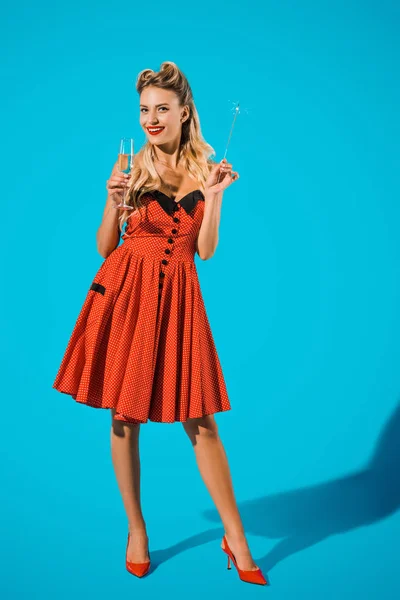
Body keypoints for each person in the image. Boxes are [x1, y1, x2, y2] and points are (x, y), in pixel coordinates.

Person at [52, 61, 267, 586]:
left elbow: (207, 250)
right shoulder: (132, 164)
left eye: (161, 109)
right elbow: (106, 247)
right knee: (124, 417)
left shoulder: (204, 170)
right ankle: (136, 529)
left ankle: (235, 536)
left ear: (184, 112)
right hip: (126, 294)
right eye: (145, 109)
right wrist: (112, 199)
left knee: (202, 421)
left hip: (179, 297)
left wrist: (214, 198)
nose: (151, 117)